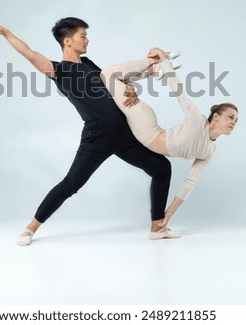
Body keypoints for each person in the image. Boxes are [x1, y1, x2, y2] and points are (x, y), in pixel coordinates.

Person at [0, 18, 178, 246]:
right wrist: (4, 32)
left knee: (162, 168)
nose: (87, 40)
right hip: (98, 136)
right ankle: (30, 228)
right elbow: (30, 53)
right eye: (83, 36)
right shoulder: (59, 70)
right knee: (71, 184)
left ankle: (157, 226)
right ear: (68, 41)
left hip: (124, 133)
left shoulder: (89, 63)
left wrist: (130, 89)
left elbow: (114, 83)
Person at [100, 51, 238, 229]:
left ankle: (153, 70)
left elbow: (190, 182)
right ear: (217, 117)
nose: (234, 122)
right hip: (147, 128)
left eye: (236, 120)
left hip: (148, 134)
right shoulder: (197, 119)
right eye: (231, 117)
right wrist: (165, 62)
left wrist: (167, 216)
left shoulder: (209, 151)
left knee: (116, 82)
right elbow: (178, 90)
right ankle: (155, 62)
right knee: (108, 75)